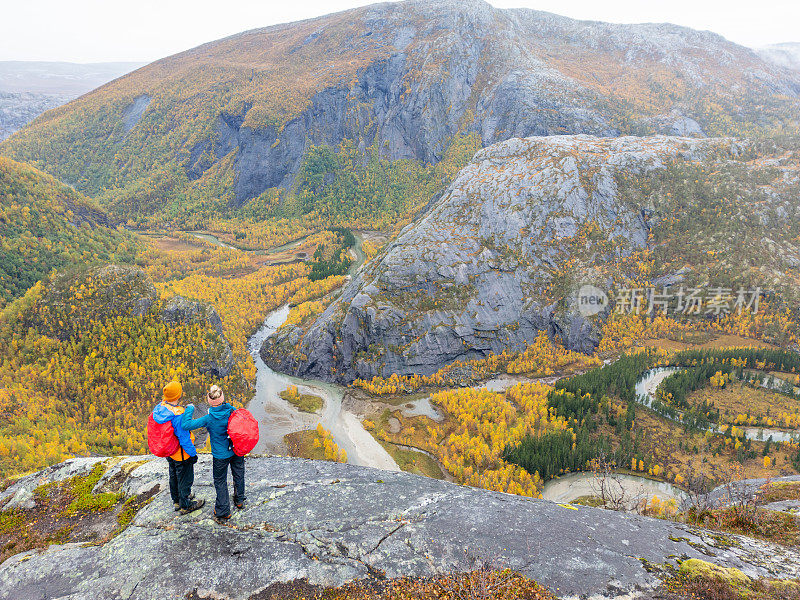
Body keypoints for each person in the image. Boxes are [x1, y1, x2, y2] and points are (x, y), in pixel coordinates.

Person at [182, 385, 245, 523]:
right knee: (238, 473)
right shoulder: (232, 411)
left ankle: (223, 511)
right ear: (222, 398)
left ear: (210, 401)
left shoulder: (209, 419)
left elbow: (186, 425)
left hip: (221, 455)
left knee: (220, 481)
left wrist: (190, 409)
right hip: (236, 449)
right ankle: (239, 500)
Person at [152, 380, 205, 515]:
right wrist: (193, 454)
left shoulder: (161, 408)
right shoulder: (177, 414)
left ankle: (177, 500)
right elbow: (184, 438)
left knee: (174, 475)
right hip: (182, 453)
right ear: (178, 395)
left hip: (170, 450)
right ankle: (185, 505)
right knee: (185, 479)